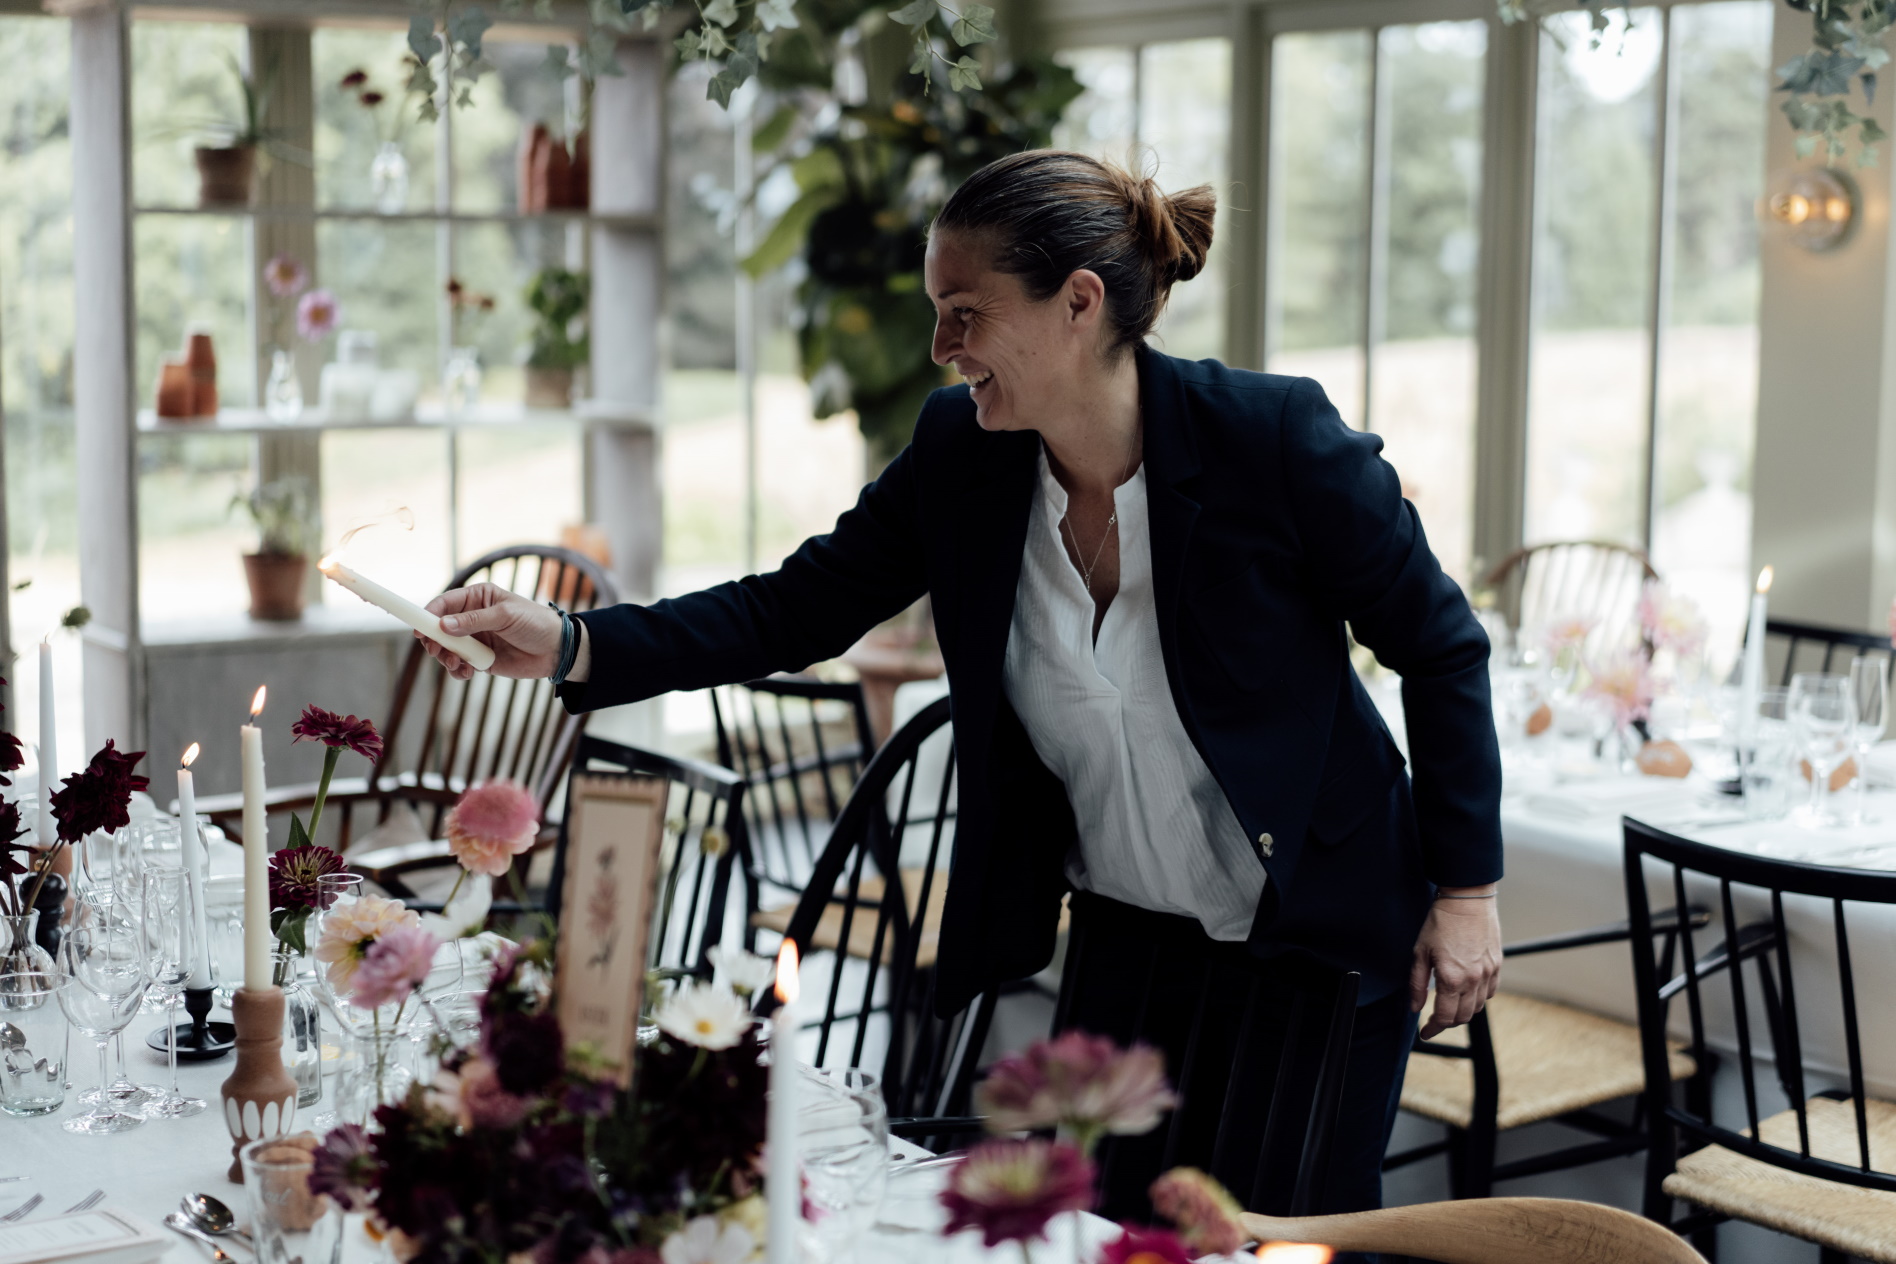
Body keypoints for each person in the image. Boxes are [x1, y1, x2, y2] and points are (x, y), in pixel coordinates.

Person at [419, 149, 1503, 1230]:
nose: (942, 350)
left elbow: (1443, 645)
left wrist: (1467, 892)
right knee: (1109, 1238)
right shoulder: (963, 456)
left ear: (1078, 304)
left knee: (1285, 1241)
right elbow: (790, 609)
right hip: (1125, 937)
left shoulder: (1274, 440)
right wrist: (568, 639)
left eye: (966, 313)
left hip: (1316, 932)